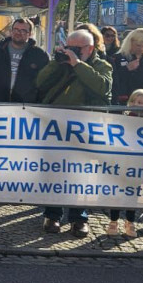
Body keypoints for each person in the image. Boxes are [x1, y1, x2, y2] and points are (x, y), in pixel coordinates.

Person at [34, 29, 112, 237]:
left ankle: (79, 218)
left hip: (85, 129)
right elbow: (39, 82)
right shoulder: (61, 63)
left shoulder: (102, 65)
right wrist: (56, 61)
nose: (72, 52)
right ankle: (52, 215)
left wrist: (78, 64)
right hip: (56, 127)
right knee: (54, 172)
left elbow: (103, 87)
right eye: (70, 47)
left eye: (77, 48)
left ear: (90, 49)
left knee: (81, 173)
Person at [105, 89, 143, 238]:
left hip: (137, 165)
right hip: (122, 162)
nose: (135, 104)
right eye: (133, 101)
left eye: (140, 102)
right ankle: (113, 221)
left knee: (132, 194)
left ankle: (130, 221)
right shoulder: (124, 119)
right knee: (117, 193)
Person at [0, 16, 50, 103]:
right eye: (15, 29)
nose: (18, 33)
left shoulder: (40, 55)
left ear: (30, 34)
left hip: (26, 106)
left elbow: (46, 82)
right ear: (11, 31)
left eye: (23, 30)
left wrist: (39, 103)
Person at [110, 28, 143, 105]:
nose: (141, 49)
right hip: (122, 103)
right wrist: (126, 69)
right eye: (138, 45)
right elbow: (110, 81)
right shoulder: (116, 59)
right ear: (130, 42)